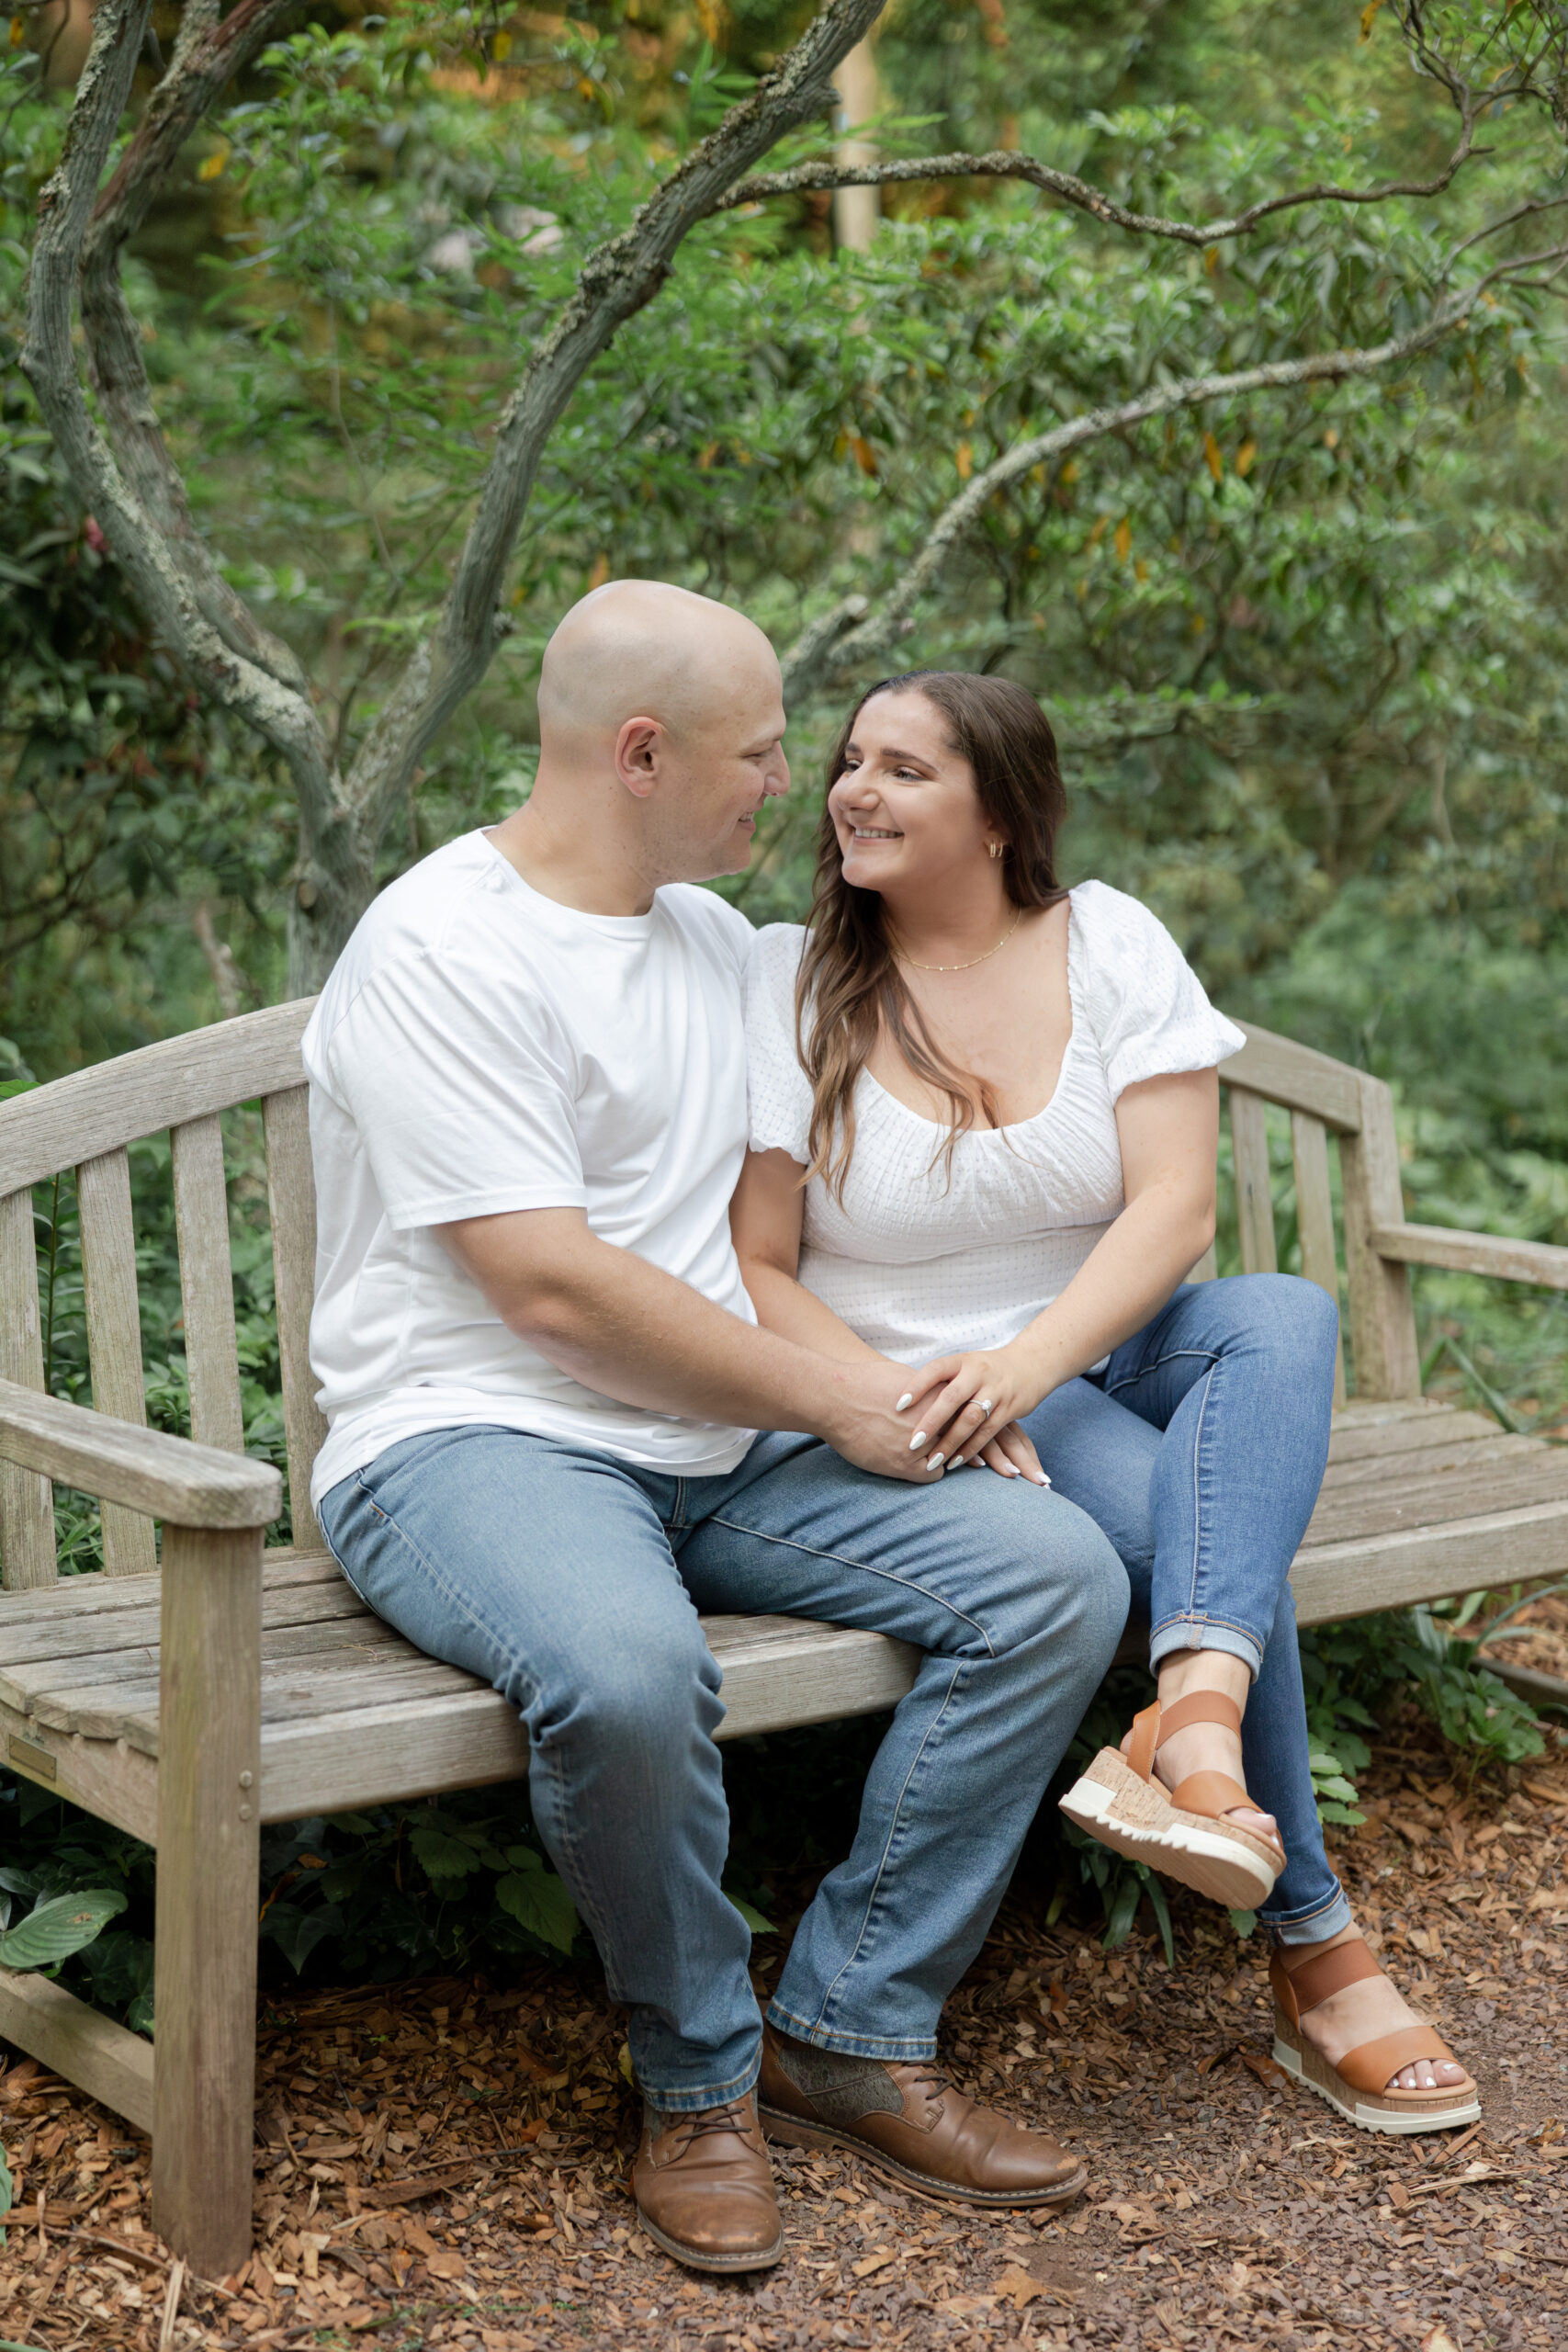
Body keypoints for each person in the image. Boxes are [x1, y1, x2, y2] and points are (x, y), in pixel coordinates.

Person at [302, 584, 1134, 2276]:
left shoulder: (712, 941)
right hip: (475, 1440)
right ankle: (699, 2080)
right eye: (763, 751)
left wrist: (945, 1386)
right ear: (639, 752)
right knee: (622, 1670)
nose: (793, 786)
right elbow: (547, 1287)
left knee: (1054, 1574)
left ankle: (853, 2023)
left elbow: (833, 1172)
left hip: (716, 1450)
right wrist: (847, 1400)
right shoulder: (441, 945)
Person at [731, 669, 1480, 2139]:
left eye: (904, 769)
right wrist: (915, 1394)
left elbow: (1175, 1211)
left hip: (1087, 1352)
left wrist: (1030, 1362)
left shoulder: (1111, 939)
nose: (853, 791)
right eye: (849, 763)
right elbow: (758, 1264)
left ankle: (1188, 1727)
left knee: (1285, 1313)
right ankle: (1319, 1951)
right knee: (1200, 1548)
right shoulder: (795, 978)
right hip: (915, 1385)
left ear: (1000, 810)